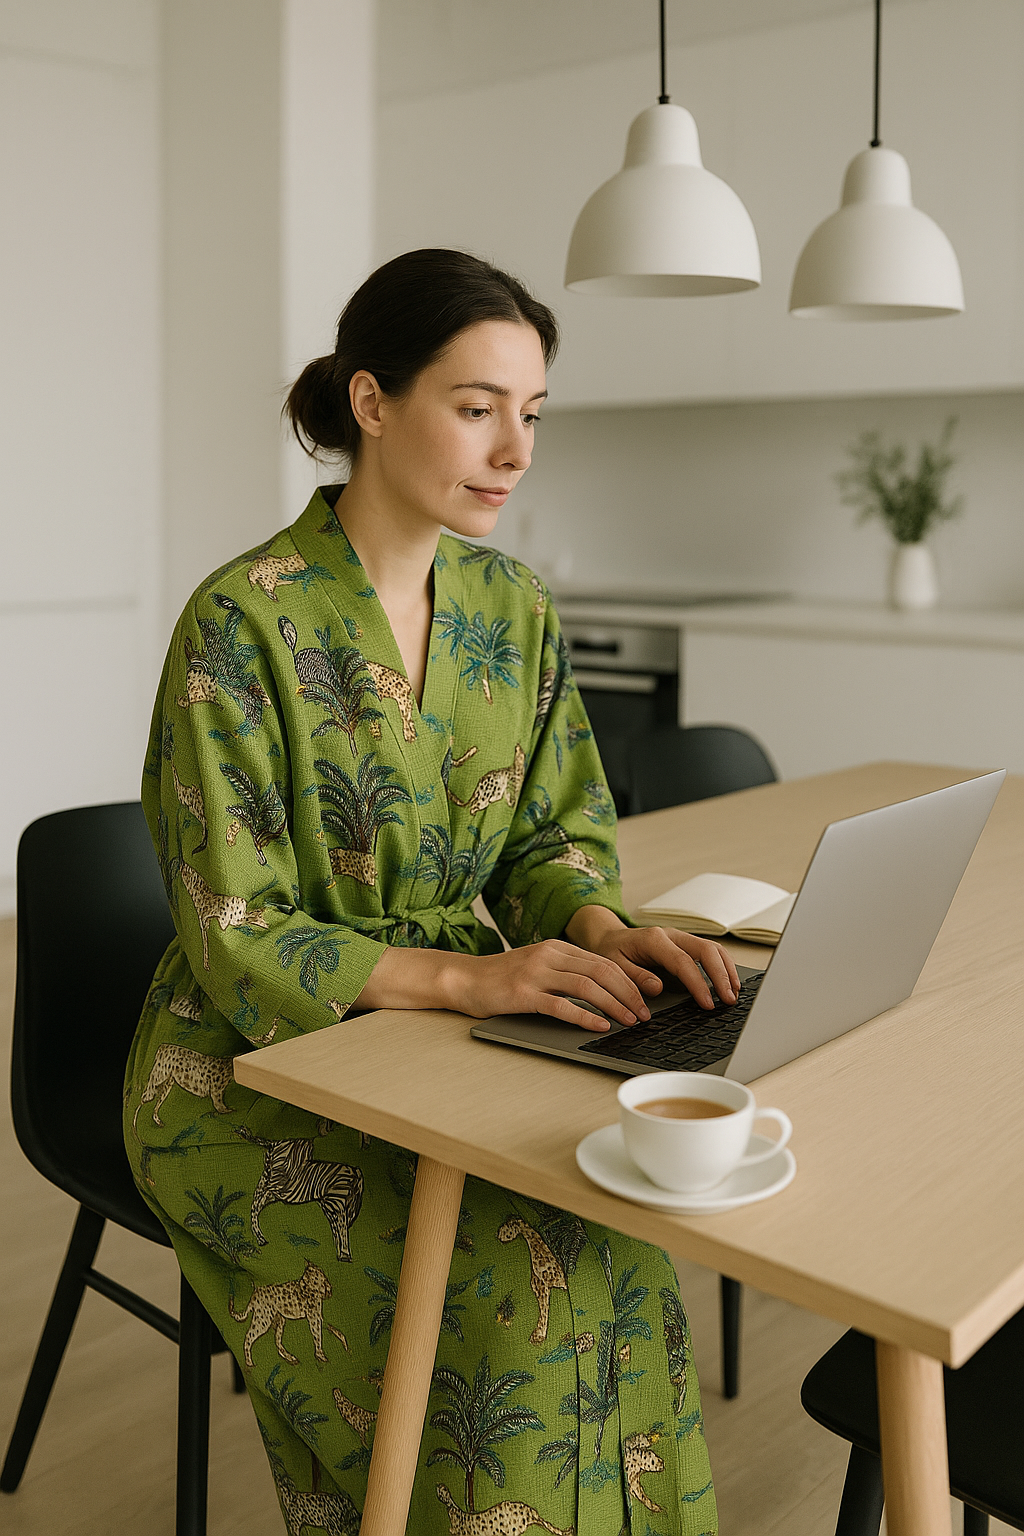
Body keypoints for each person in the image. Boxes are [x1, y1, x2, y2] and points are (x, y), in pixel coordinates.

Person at [125, 248, 736, 1535]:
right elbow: (236, 927)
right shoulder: (241, 622)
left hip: (464, 1020)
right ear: (370, 402)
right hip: (256, 1059)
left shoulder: (513, 606)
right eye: (476, 407)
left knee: (607, 1229)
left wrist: (598, 923)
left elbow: (554, 831)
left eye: (531, 413)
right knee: (490, 1286)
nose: (514, 449)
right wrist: (470, 977)